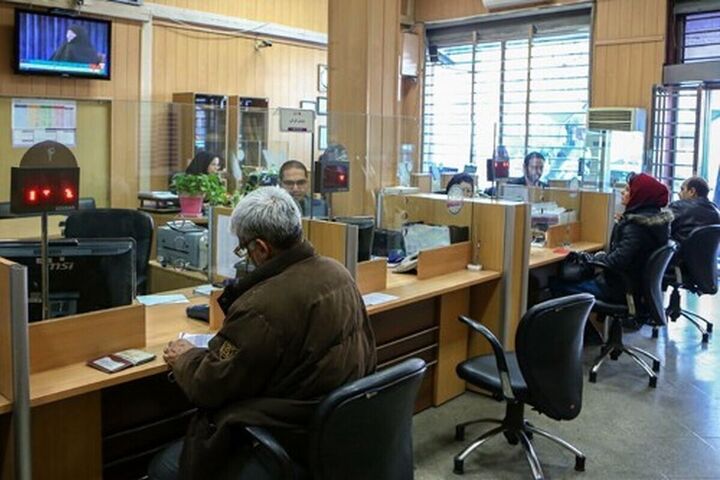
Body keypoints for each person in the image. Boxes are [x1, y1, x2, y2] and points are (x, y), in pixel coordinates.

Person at [148, 187, 376, 480]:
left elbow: (210, 386)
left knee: (162, 468)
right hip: (335, 428)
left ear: (261, 248)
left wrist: (185, 358)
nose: (245, 257)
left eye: (244, 249)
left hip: (289, 436)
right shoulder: (337, 272)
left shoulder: (262, 306)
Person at [553, 173, 672, 303]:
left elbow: (616, 261)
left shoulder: (635, 227)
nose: (622, 192)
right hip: (637, 289)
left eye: (628, 190)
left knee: (556, 284)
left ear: (639, 196)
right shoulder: (657, 224)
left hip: (620, 290)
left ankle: (580, 318)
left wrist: (593, 258)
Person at [668, 176, 720, 243]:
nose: (679, 193)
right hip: (708, 250)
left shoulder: (678, 207)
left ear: (692, 191)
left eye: (682, 189)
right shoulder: (716, 212)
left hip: (682, 249)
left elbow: (662, 231)